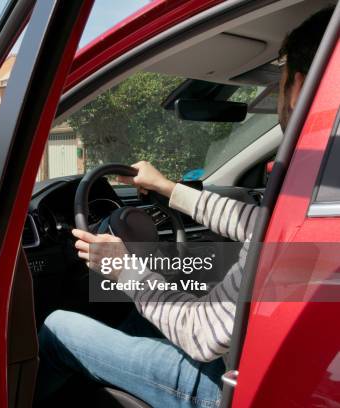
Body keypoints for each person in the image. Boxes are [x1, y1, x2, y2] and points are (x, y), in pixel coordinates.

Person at [35, 7, 334, 407]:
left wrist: (121, 266)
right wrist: (168, 189)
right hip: (276, 365)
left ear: (297, 87)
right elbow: (257, 223)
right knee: (136, 315)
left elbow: (201, 334)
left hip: (231, 384)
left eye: (278, 82)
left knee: (56, 326)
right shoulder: (320, 190)